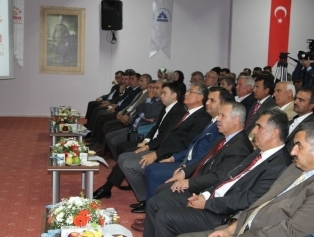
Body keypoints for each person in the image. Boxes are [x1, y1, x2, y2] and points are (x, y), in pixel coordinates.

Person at [143, 108, 291, 237]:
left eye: (259, 127)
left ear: (274, 133)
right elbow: (228, 178)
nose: (253, 131)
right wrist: (205, 195)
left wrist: (207, 203)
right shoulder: (258, 153)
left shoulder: (279, 165)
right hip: (214, 199)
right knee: (157, 202)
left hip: (225, 214)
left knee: (165, 216)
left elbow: (249, 200)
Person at [182, 121, 314, 237]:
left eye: (299, 145)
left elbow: (292, 232)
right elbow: (261, 203)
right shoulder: (294, 169)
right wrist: (230, 230)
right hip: (239, 226)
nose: (293, 152)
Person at [118, 84, 211, 213]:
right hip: (163, 149)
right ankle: (146, 198)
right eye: (188, 91)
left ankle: (148, 201)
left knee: (131, 165)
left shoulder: (202, 118)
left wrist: (157, 154)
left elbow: (186, 144)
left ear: (200, 97)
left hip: (174, 155)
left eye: (191, 92)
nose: (186, 94)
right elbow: (166, 134)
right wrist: (150, 147)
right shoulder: (185, 112)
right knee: (123, 158)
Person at [92, 82, 186, 199]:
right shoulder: (166, 108)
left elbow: (166, 136)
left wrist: (148, 146)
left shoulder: (178, 111)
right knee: (124, 153)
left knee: (126, 153)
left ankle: (107, 188)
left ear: (174, 95)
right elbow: (155, 127)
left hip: (161, 147)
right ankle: (109, 187)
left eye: (163, 93)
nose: (161, 95)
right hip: (152, 140)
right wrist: (146, 140)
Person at [143, 87, 232, 202]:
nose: (207, 103)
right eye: (208, 99)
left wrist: (186, 169)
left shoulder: (220, 127)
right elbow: (193, 146)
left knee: (155, 173)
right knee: (150, 169)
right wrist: (174, 157)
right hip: (185, 161)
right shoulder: (212, 121)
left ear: (223, 104)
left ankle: (151, 206)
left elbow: (207, 155)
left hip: (194, 167)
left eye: (212, 100)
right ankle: (148, 204)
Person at [105, 80, 163, 160]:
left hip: (139, 131)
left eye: (156, 88)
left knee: (114, 141)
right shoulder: (152, 100)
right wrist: (144, 115)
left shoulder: (160, 103)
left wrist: (148, 101)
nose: (153, 90)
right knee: (108, 136)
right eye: (152, 88)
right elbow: (139, 108)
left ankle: (118, 162)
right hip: (132, 125)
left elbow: (149, 114)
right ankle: (117, 160)